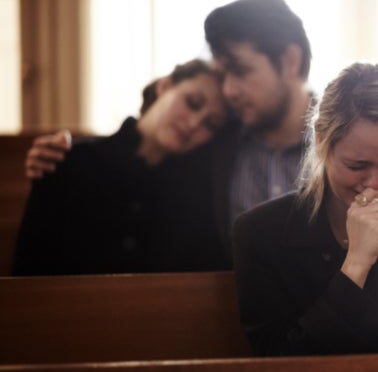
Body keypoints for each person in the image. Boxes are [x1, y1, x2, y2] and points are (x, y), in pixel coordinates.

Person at [23, 0, 314, 254]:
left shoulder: (342, 142)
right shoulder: (223, 143)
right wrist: (62, 150)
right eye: (224, 75)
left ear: (290, 61)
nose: (229, 91)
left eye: (240, 70)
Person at [233, 62, 378, 356]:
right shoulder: (260, 232)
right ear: (322, 144)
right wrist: (356, 264)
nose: (374, 183)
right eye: (356, 166)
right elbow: (281, 365)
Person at [12, 59, 232, 275]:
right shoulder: (68, 160)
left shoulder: (200, 192)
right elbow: (27, 272)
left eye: (210, 124)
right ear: (164, 86)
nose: (194, 124)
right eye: (192, 102)